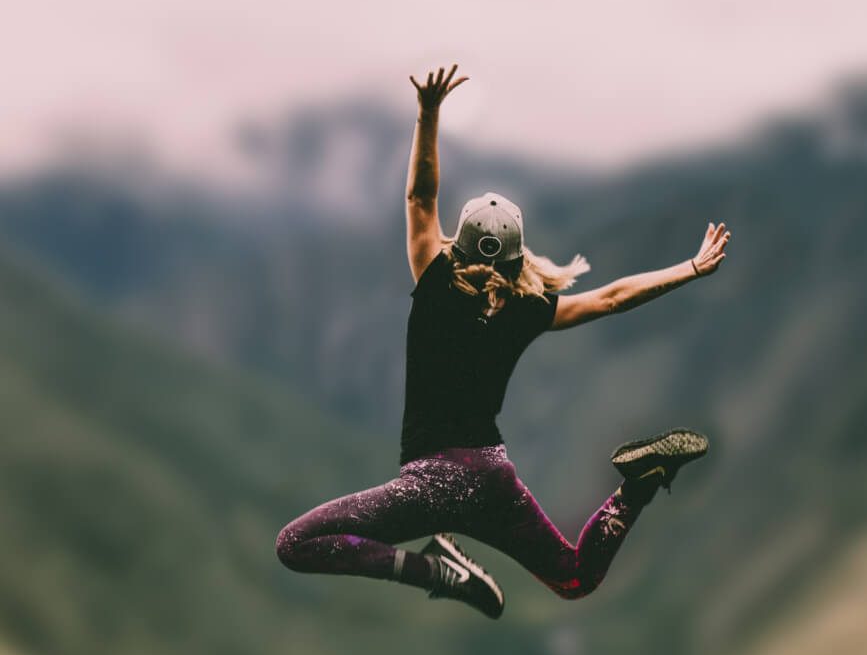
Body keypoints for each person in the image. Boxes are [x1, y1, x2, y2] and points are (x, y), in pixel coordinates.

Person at [276, 64, 730, 619]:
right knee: (575, 577)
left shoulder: (437, 282)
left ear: (458, 246)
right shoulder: (528, 308)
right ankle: (636, 486)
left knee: (296, 545)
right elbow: (611, 298)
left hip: (432, 483)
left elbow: (421, 197)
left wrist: (428, 112)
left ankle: (433, 570)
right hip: (492, 478)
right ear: (519, 256)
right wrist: (688, 267)